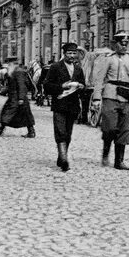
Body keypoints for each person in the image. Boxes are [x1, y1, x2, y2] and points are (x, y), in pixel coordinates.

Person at [90, 31, 129, 170]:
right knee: (110, 128)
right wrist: (96, 98)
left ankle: (119, 161)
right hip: (110, 96)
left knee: (125, 129)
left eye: (126, 44)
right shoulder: (108, 59)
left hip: (126, 98)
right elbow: (100, 80)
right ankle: (106, 152)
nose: (124, 46)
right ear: (115, 44)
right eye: (121, 43)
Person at [44, 42, 87, 172]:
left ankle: (61, 155)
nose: (72, 56)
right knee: (60, 131)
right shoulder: (55, 67)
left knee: (68, 133)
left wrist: (81, 87)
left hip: (73, 106)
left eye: (74, 53)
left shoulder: (78, 69)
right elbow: (46, 86)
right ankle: (64, 160)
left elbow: (83, 85)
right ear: (64, 54)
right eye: (69, 53)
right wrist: (61, 86)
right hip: (59, 104)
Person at [0, 60, 36, 138]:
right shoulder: (12, 72)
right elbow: (10, 86)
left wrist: (21, 98)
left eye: (9, 64)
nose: (8, 66)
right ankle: (31, 132)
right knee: (25, 115)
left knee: (9, 113)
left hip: (17, 98)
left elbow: (21, 85)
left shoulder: (19, 72)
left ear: (13, 64)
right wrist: (1, 92)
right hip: (14, 97)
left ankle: (0, 129)